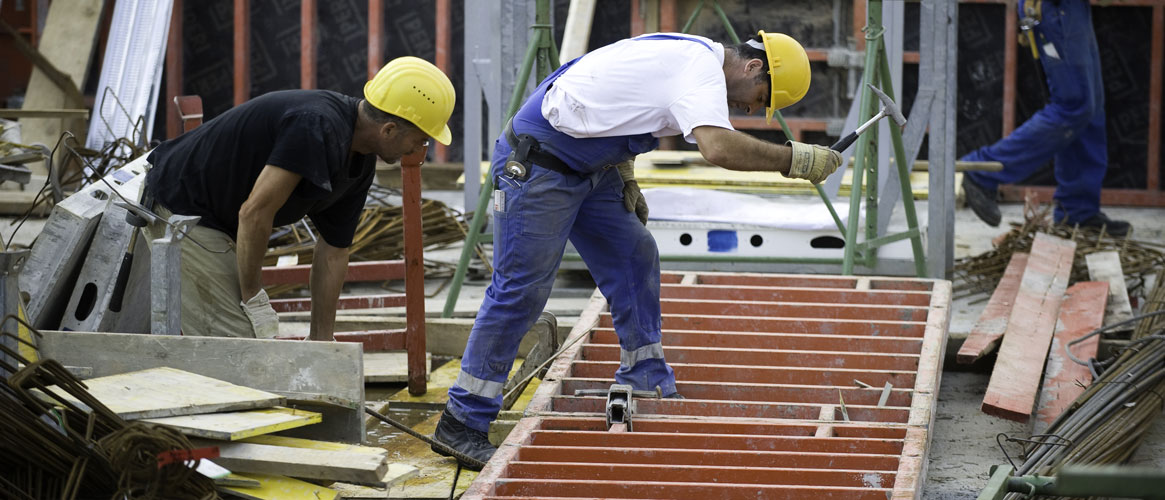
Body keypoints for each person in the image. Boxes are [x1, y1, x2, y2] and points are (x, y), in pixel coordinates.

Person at [432, 31, 841, 470]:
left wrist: (622, 168)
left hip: (588, 166)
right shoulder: (700, 69)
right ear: (753, 67)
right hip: (539, 166)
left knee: (635, 254)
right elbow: (718, 147)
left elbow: (612, 88)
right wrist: (793, 161)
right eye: (761, 99)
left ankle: (644, 376)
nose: (751, 110)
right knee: (520, 293)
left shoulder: (689, 52)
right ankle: (462, 421)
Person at [142, 57, 455, 340]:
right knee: (241, 345)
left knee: (253, 343)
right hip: (184, 208)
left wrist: (322, 339)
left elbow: (334, 251)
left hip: (223, 221)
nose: (419, 151)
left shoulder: (360, 163)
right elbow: (254, 213)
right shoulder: (315, 126)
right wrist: (253, 298)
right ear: (388, 130)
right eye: (419, 140)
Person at [961, 0, 1130, 236]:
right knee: (1073, 104)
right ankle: (982, 172)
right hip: (1056, 7)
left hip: (1071, 9)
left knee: (1089, 108)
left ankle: (1077, 211)